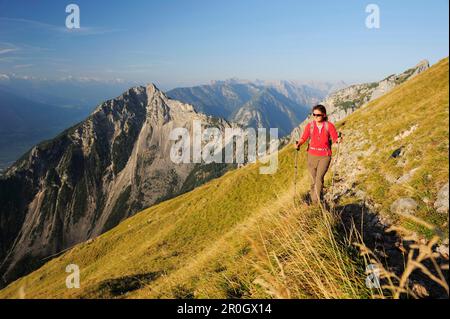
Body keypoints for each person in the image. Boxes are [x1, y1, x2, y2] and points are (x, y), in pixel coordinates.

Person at [295, 105, 340, 205]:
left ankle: (316, 203)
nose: (315, 117)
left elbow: (335, 138)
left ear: (323, 115)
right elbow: (304, 138)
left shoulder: (329, 126)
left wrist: (338, 140)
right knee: (313, 180)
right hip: (311, 155)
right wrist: (299, 143)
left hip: (325, 156)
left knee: (319, 178)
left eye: (318, 115)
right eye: (314, 114)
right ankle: (315, 198)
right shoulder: (310, 126)